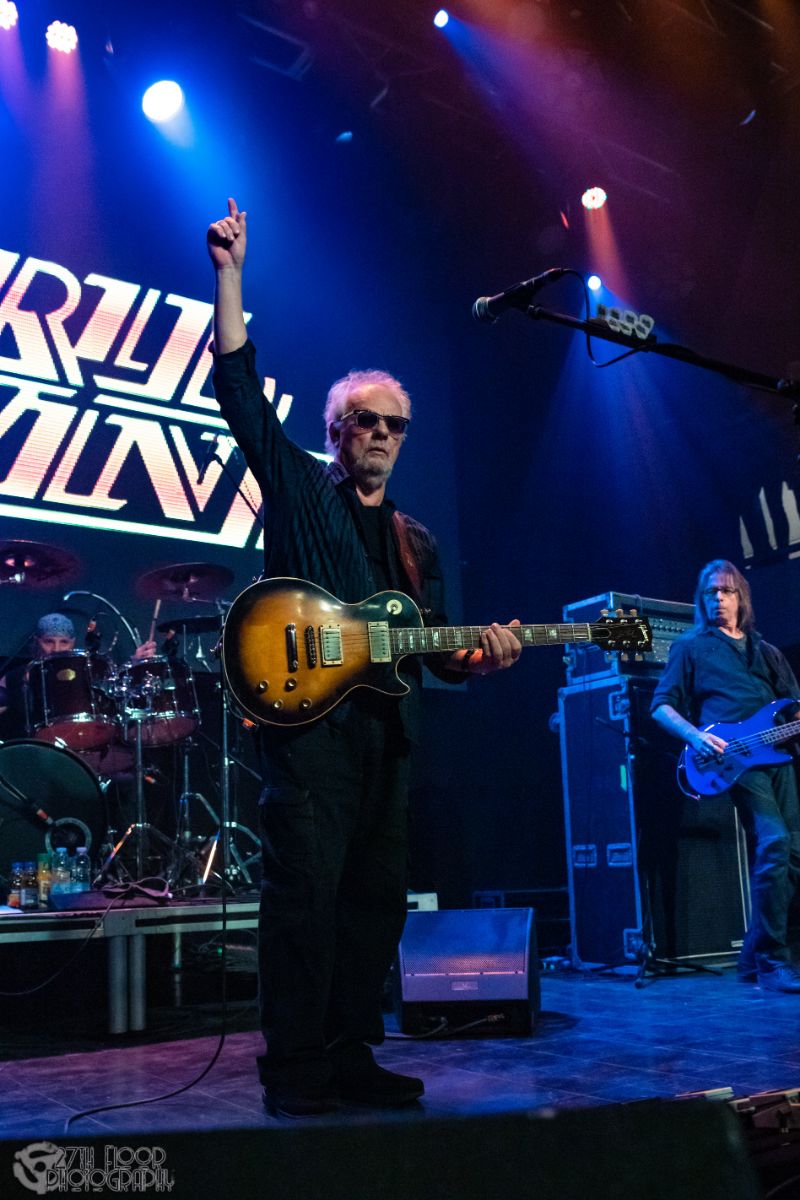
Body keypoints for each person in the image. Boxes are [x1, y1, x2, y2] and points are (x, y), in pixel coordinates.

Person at [207, 197, 523, 1117]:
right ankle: (295, 1069)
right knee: (304, 897)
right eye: (366, 420)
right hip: (310, 732)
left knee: (374, 900)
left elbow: (441, 646)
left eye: (395, 424)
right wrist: (230, 276)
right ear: (337, 432)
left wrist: (483, 657)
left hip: (390, 740)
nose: (382, 432)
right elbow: (239, 394)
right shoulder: (305, 495)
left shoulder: (417, 542)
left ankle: (350, 1054)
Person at [651, 559, 800, 993]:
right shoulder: (691, 647)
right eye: (710, 592)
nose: (718, 598)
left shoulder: (766, 651)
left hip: (779, 758)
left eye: (726, 591)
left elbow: (791, 707)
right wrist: (695, 737)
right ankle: (772, 960)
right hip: (734, 758)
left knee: (793, 853)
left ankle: (752, 957)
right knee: (774, 841)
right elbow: (661, 706)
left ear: (741, 598)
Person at [0, 612, 156, 737]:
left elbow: (114, 686)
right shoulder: (15, 676)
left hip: (79, 740)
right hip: (32, 748)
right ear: (37, 641)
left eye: (64, 642)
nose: (56, 649)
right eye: (48, 641)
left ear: (73, 643)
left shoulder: (84, 670)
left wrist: (135, 662)